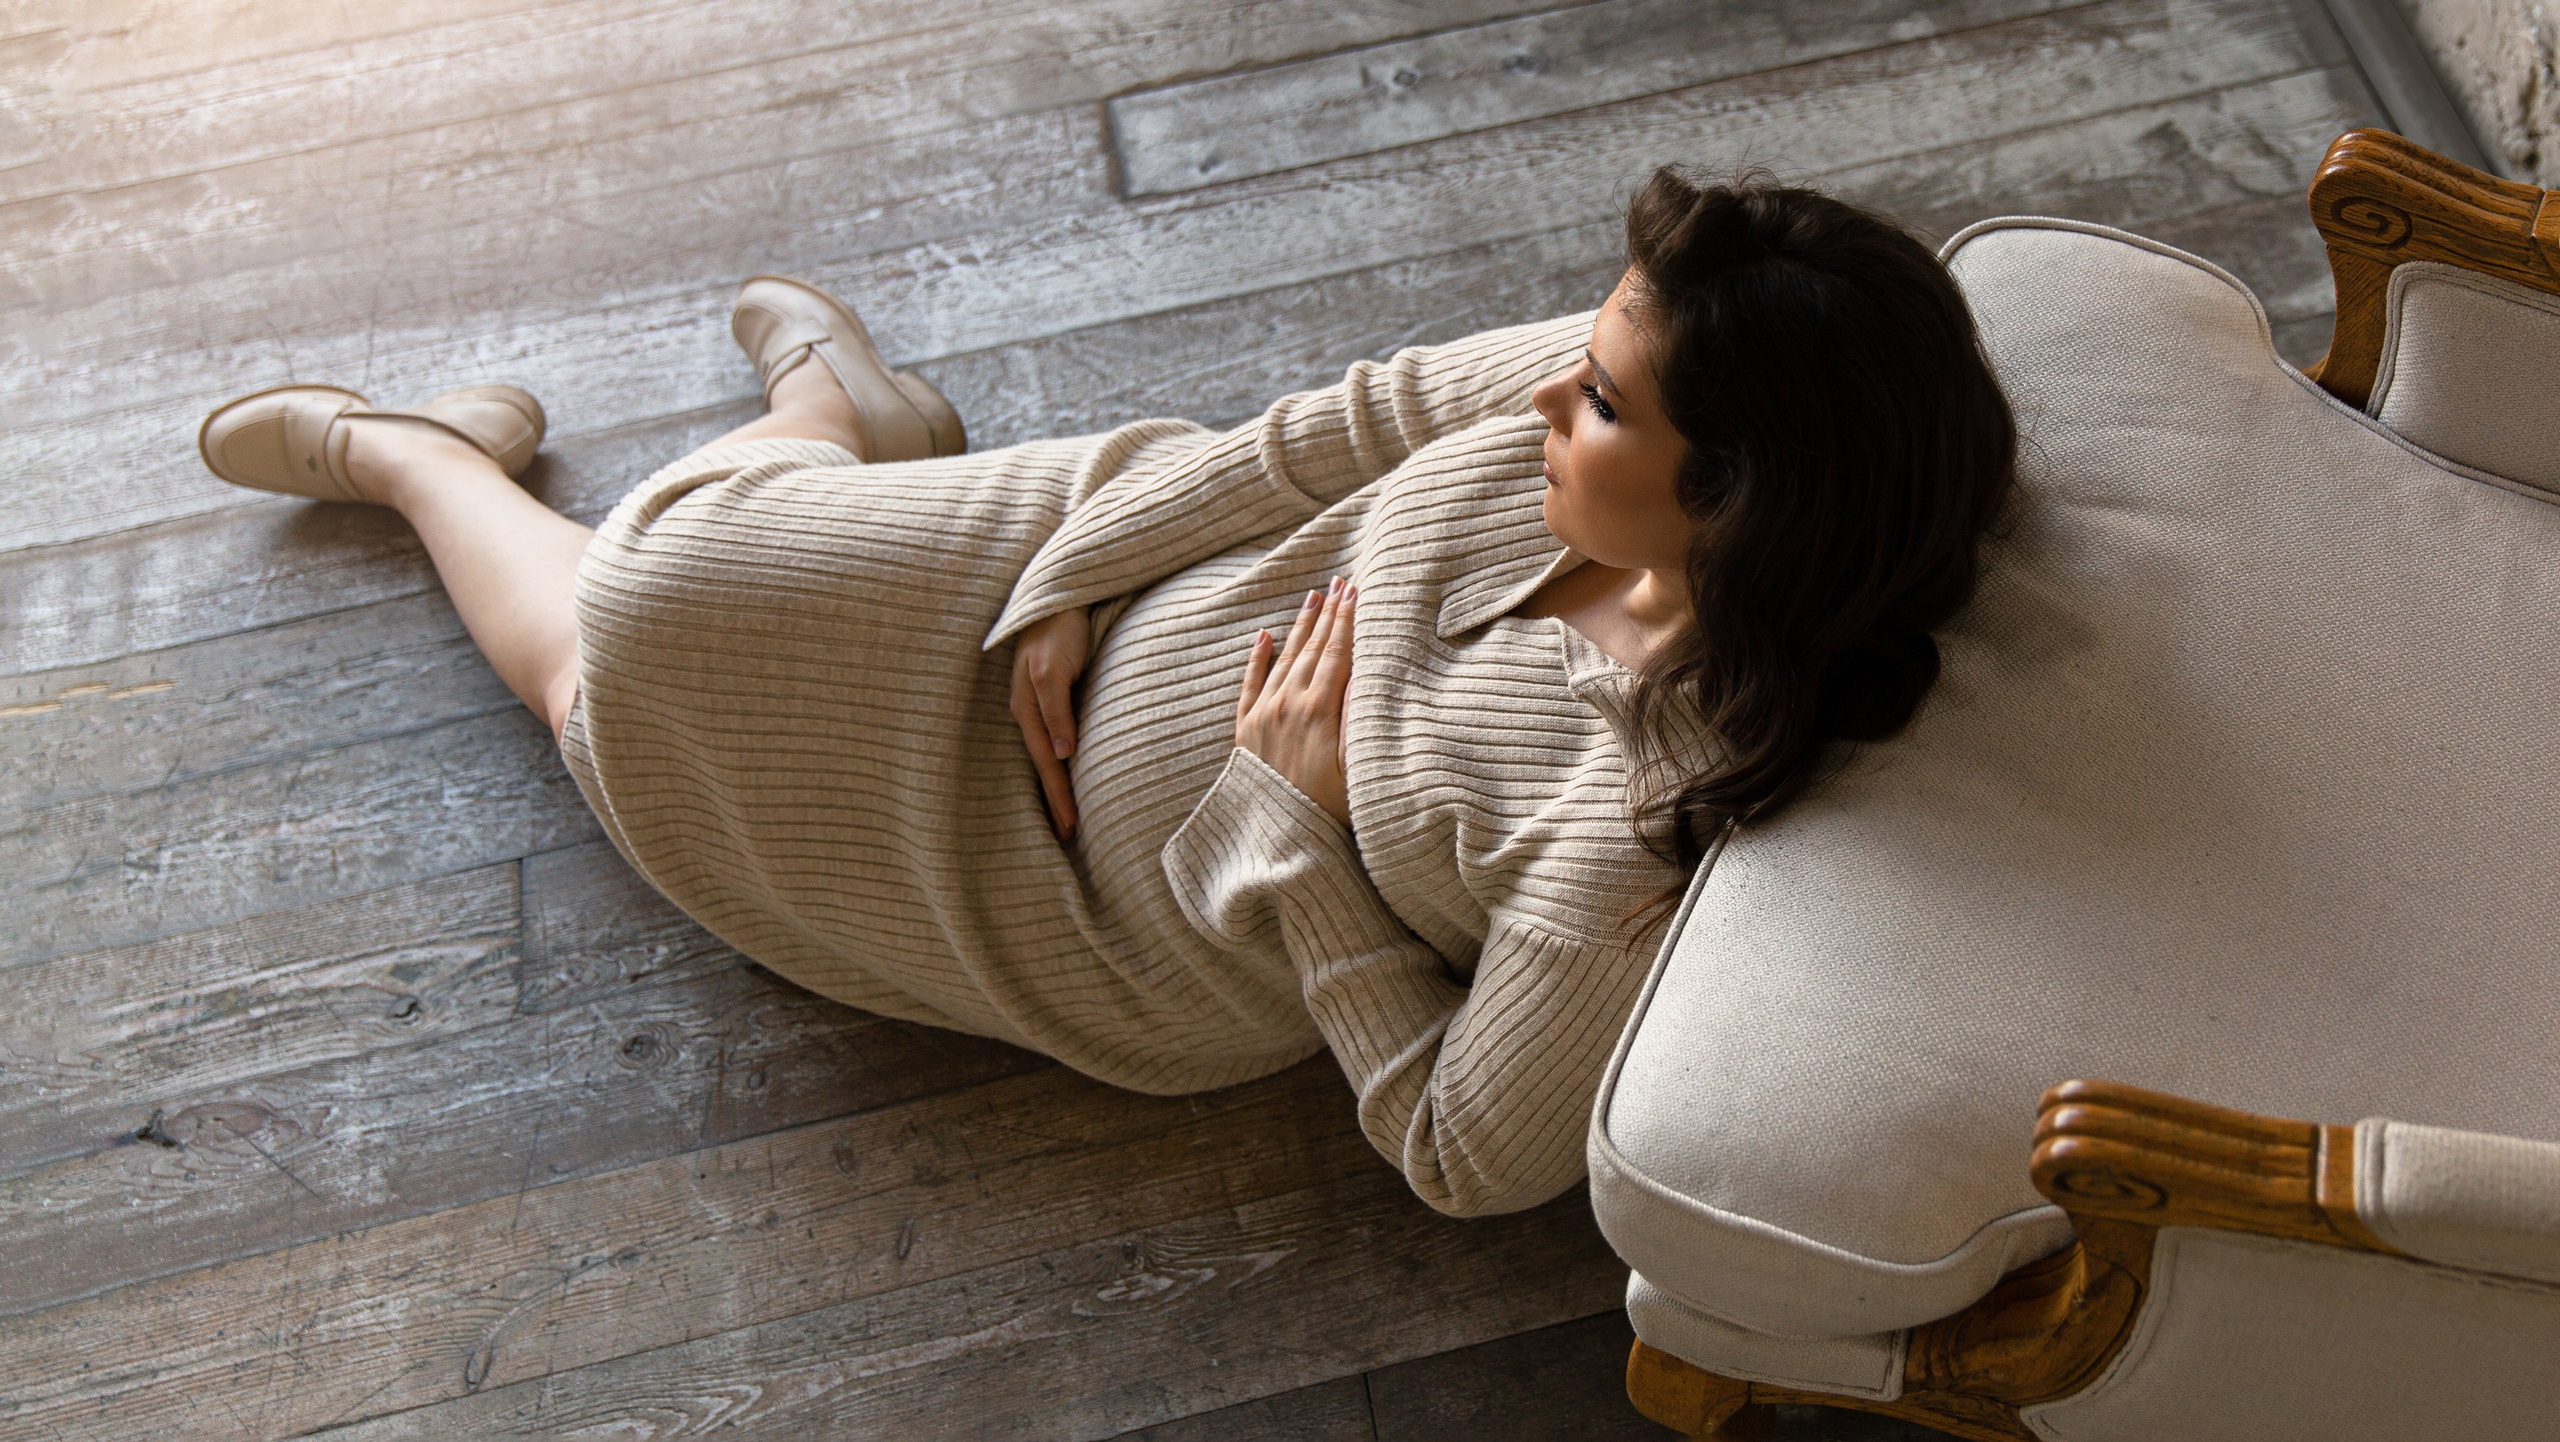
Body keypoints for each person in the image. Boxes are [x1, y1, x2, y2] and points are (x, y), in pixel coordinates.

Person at [194, 168, 2014, 1217]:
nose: (1553, 392)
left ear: (1738, 501)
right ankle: (817, 420)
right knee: (668, 577)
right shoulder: (1649, 379)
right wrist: (1078, 568)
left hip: (1077, 907)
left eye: (1601, 403)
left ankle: (422, 460)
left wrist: (1292, 827)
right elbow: (1343, 428)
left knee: (615, 696)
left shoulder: (1628, 832)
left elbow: (1464, 1149)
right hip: (1102, 576)